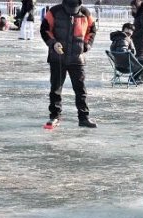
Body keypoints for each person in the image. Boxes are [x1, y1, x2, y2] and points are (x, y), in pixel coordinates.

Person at [40, 0, 97, 128]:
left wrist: (87, 45)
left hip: (77, 58)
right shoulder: (54, 11)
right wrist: (53, 43)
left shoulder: (85, 13)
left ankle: (84, 118)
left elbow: (92, 30)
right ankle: (55, 116)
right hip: (57, 57)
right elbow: (44, 29)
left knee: (80, 89)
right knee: (56, 89)